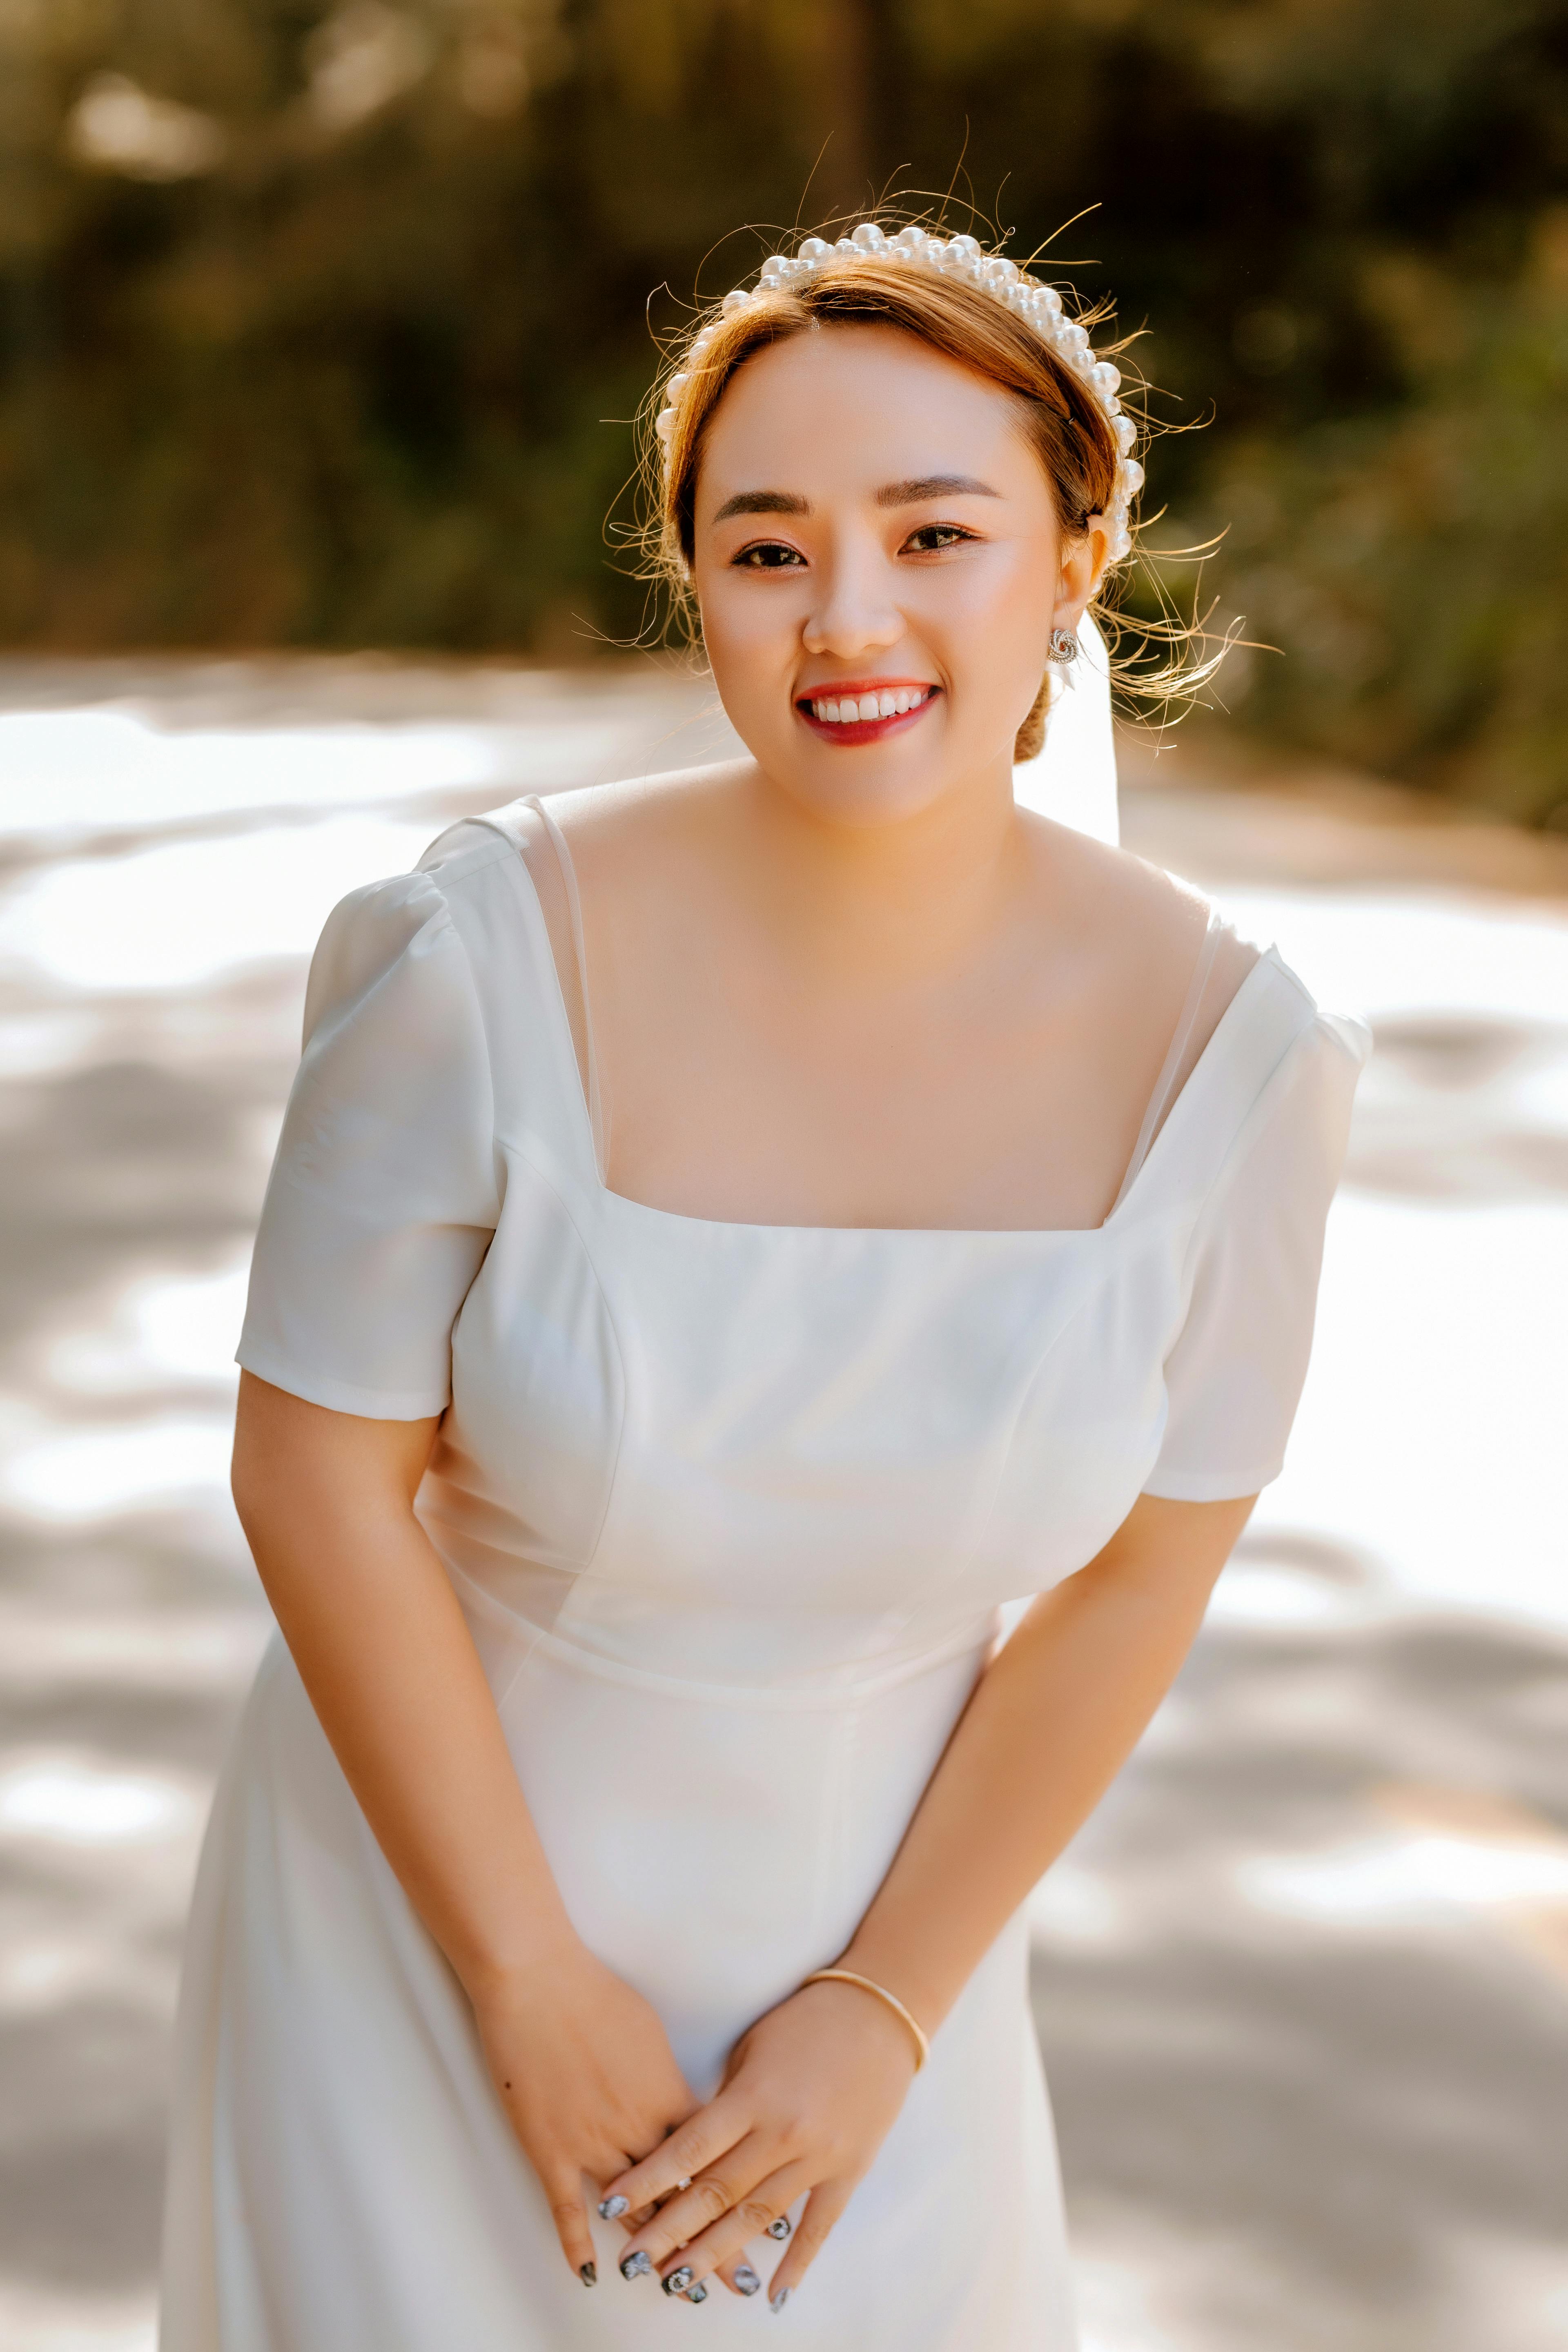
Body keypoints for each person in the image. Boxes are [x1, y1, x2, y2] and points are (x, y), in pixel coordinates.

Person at [160, 218, 1369, 2351]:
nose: (851, 619)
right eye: (768, 548)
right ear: (691, 576)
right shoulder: (473, 958)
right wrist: (523, 1981)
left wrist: (888, 2012)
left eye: (935, 532)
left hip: (879, 1987)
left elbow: (1141, 1580)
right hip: (414, 1927)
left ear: (1078, 554)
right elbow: (312, 1477)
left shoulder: (1241, 1067)